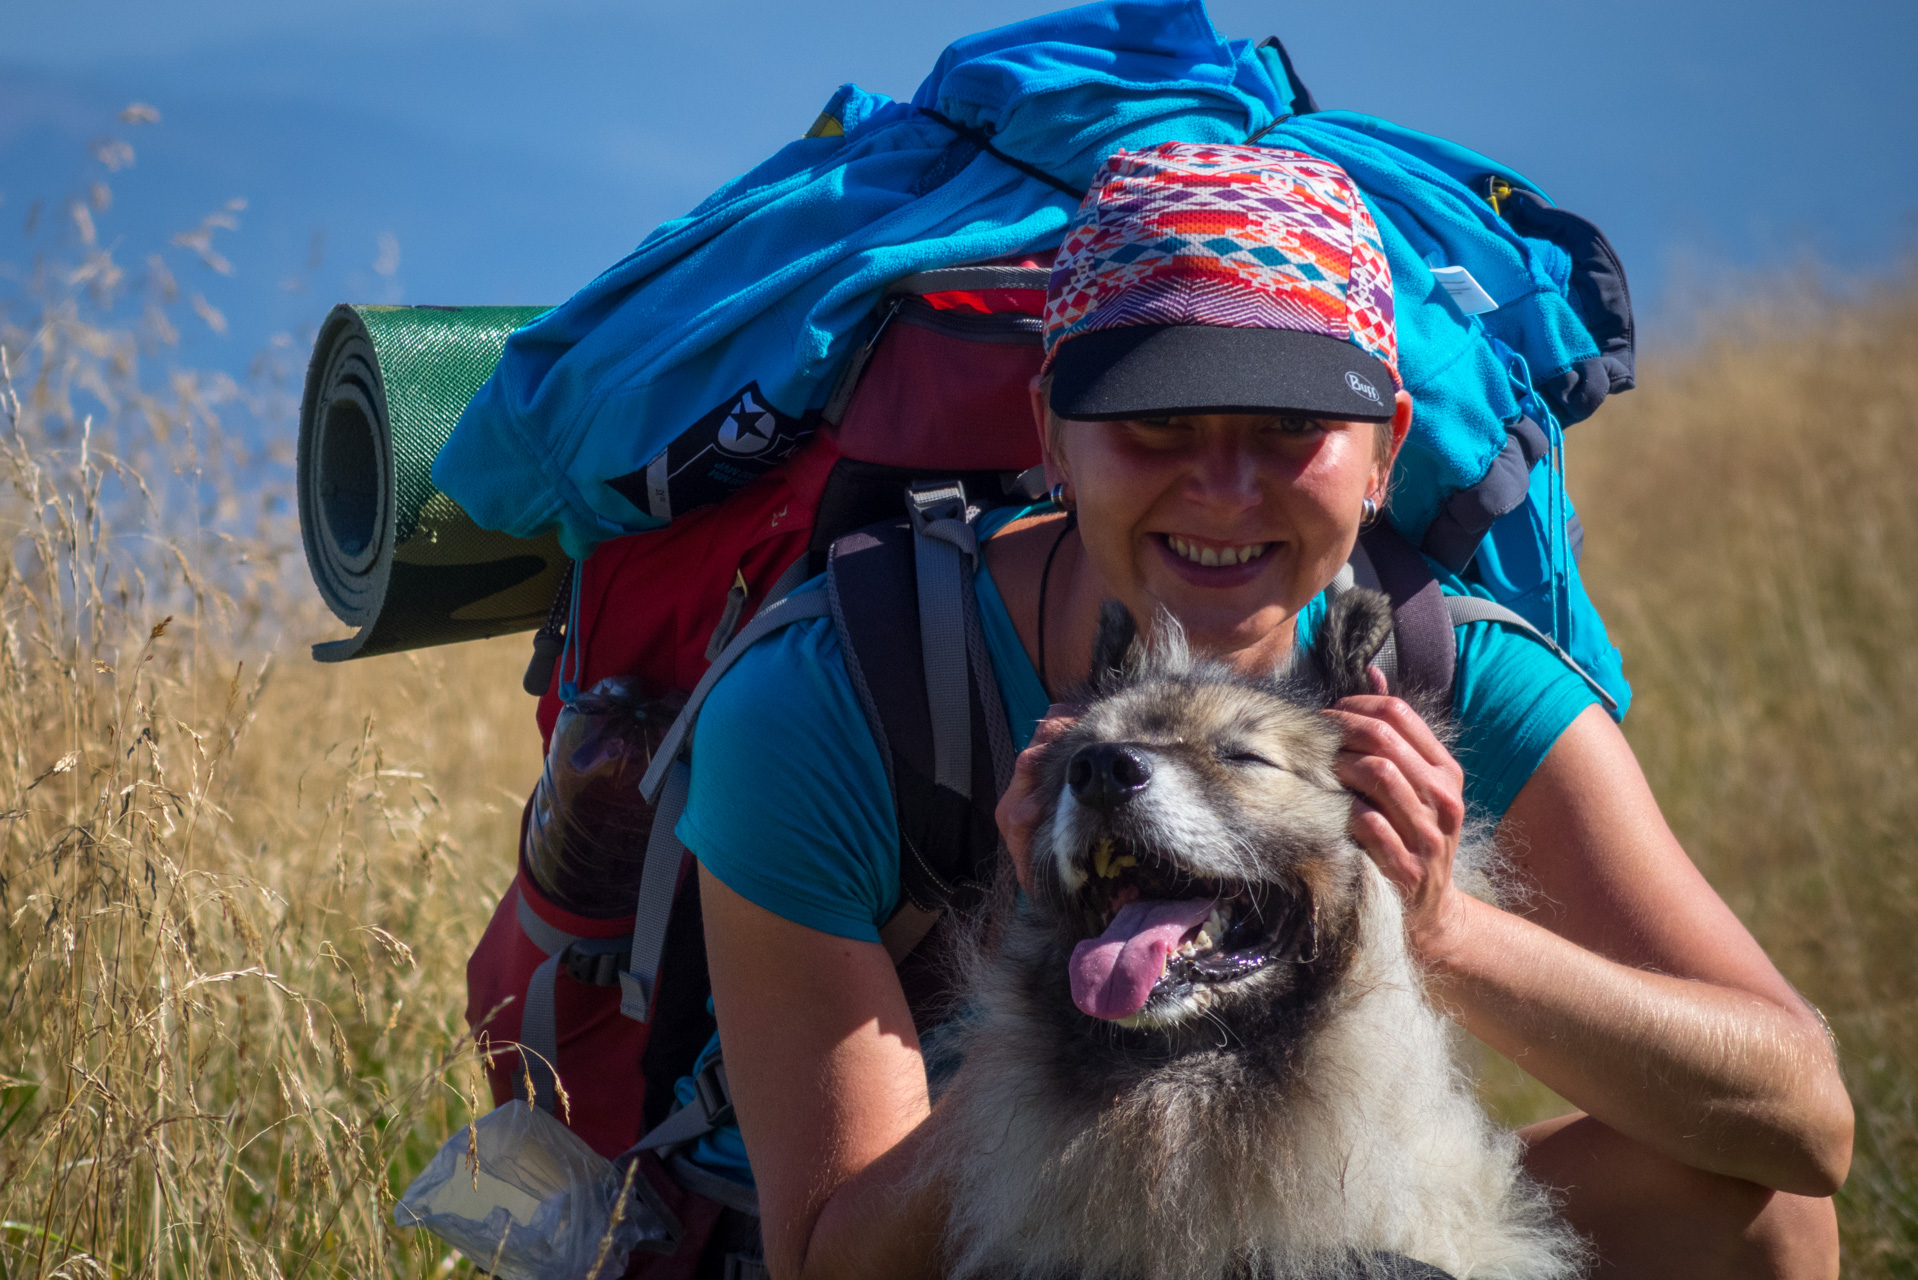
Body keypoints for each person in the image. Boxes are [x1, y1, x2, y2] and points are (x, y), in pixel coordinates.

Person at [676, 144, 1852, 1279]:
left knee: (1754, 1208)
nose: (1226, 491)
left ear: (1384, 447)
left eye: (1292, 428)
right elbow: (831, 1258)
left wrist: (1437, 926)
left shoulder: (1454, 674)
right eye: (1158, 423)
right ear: (1051, 435)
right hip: (1016, 1234)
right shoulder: (833, 697)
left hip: (1345, 1212)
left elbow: (1804, 1124)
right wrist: (1045, 968)